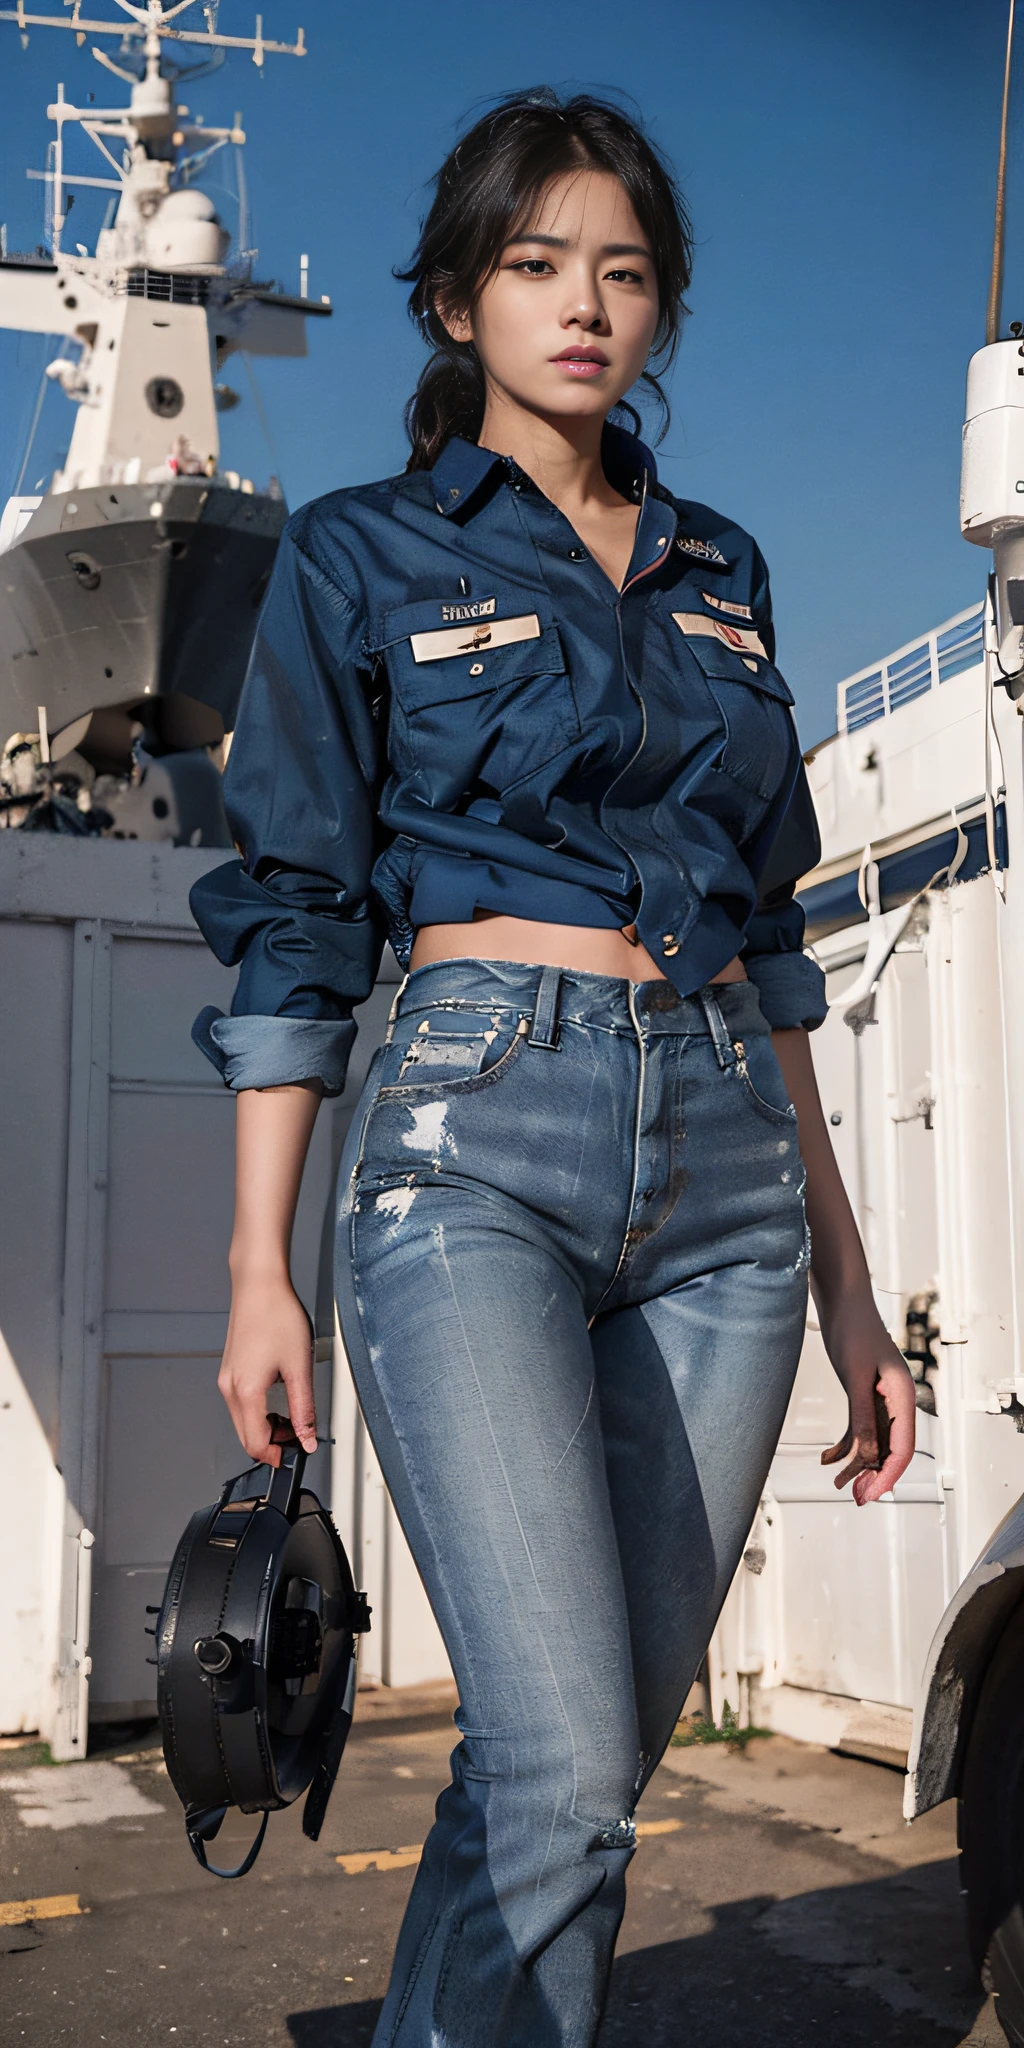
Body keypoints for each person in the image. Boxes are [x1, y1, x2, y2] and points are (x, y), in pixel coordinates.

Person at [190, 88, 916, 2046]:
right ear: (453, 303)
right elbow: (292, 910)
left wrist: (848, 1282)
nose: (581, 303)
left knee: (571, 1775)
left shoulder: (721, 569)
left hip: (725, 1192)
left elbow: (768, 948)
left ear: (658, 310)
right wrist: (262, 1270)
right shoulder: (357, 558)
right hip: (468, 1139)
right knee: (565, 1753)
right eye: (534, 266)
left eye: (620, 269)